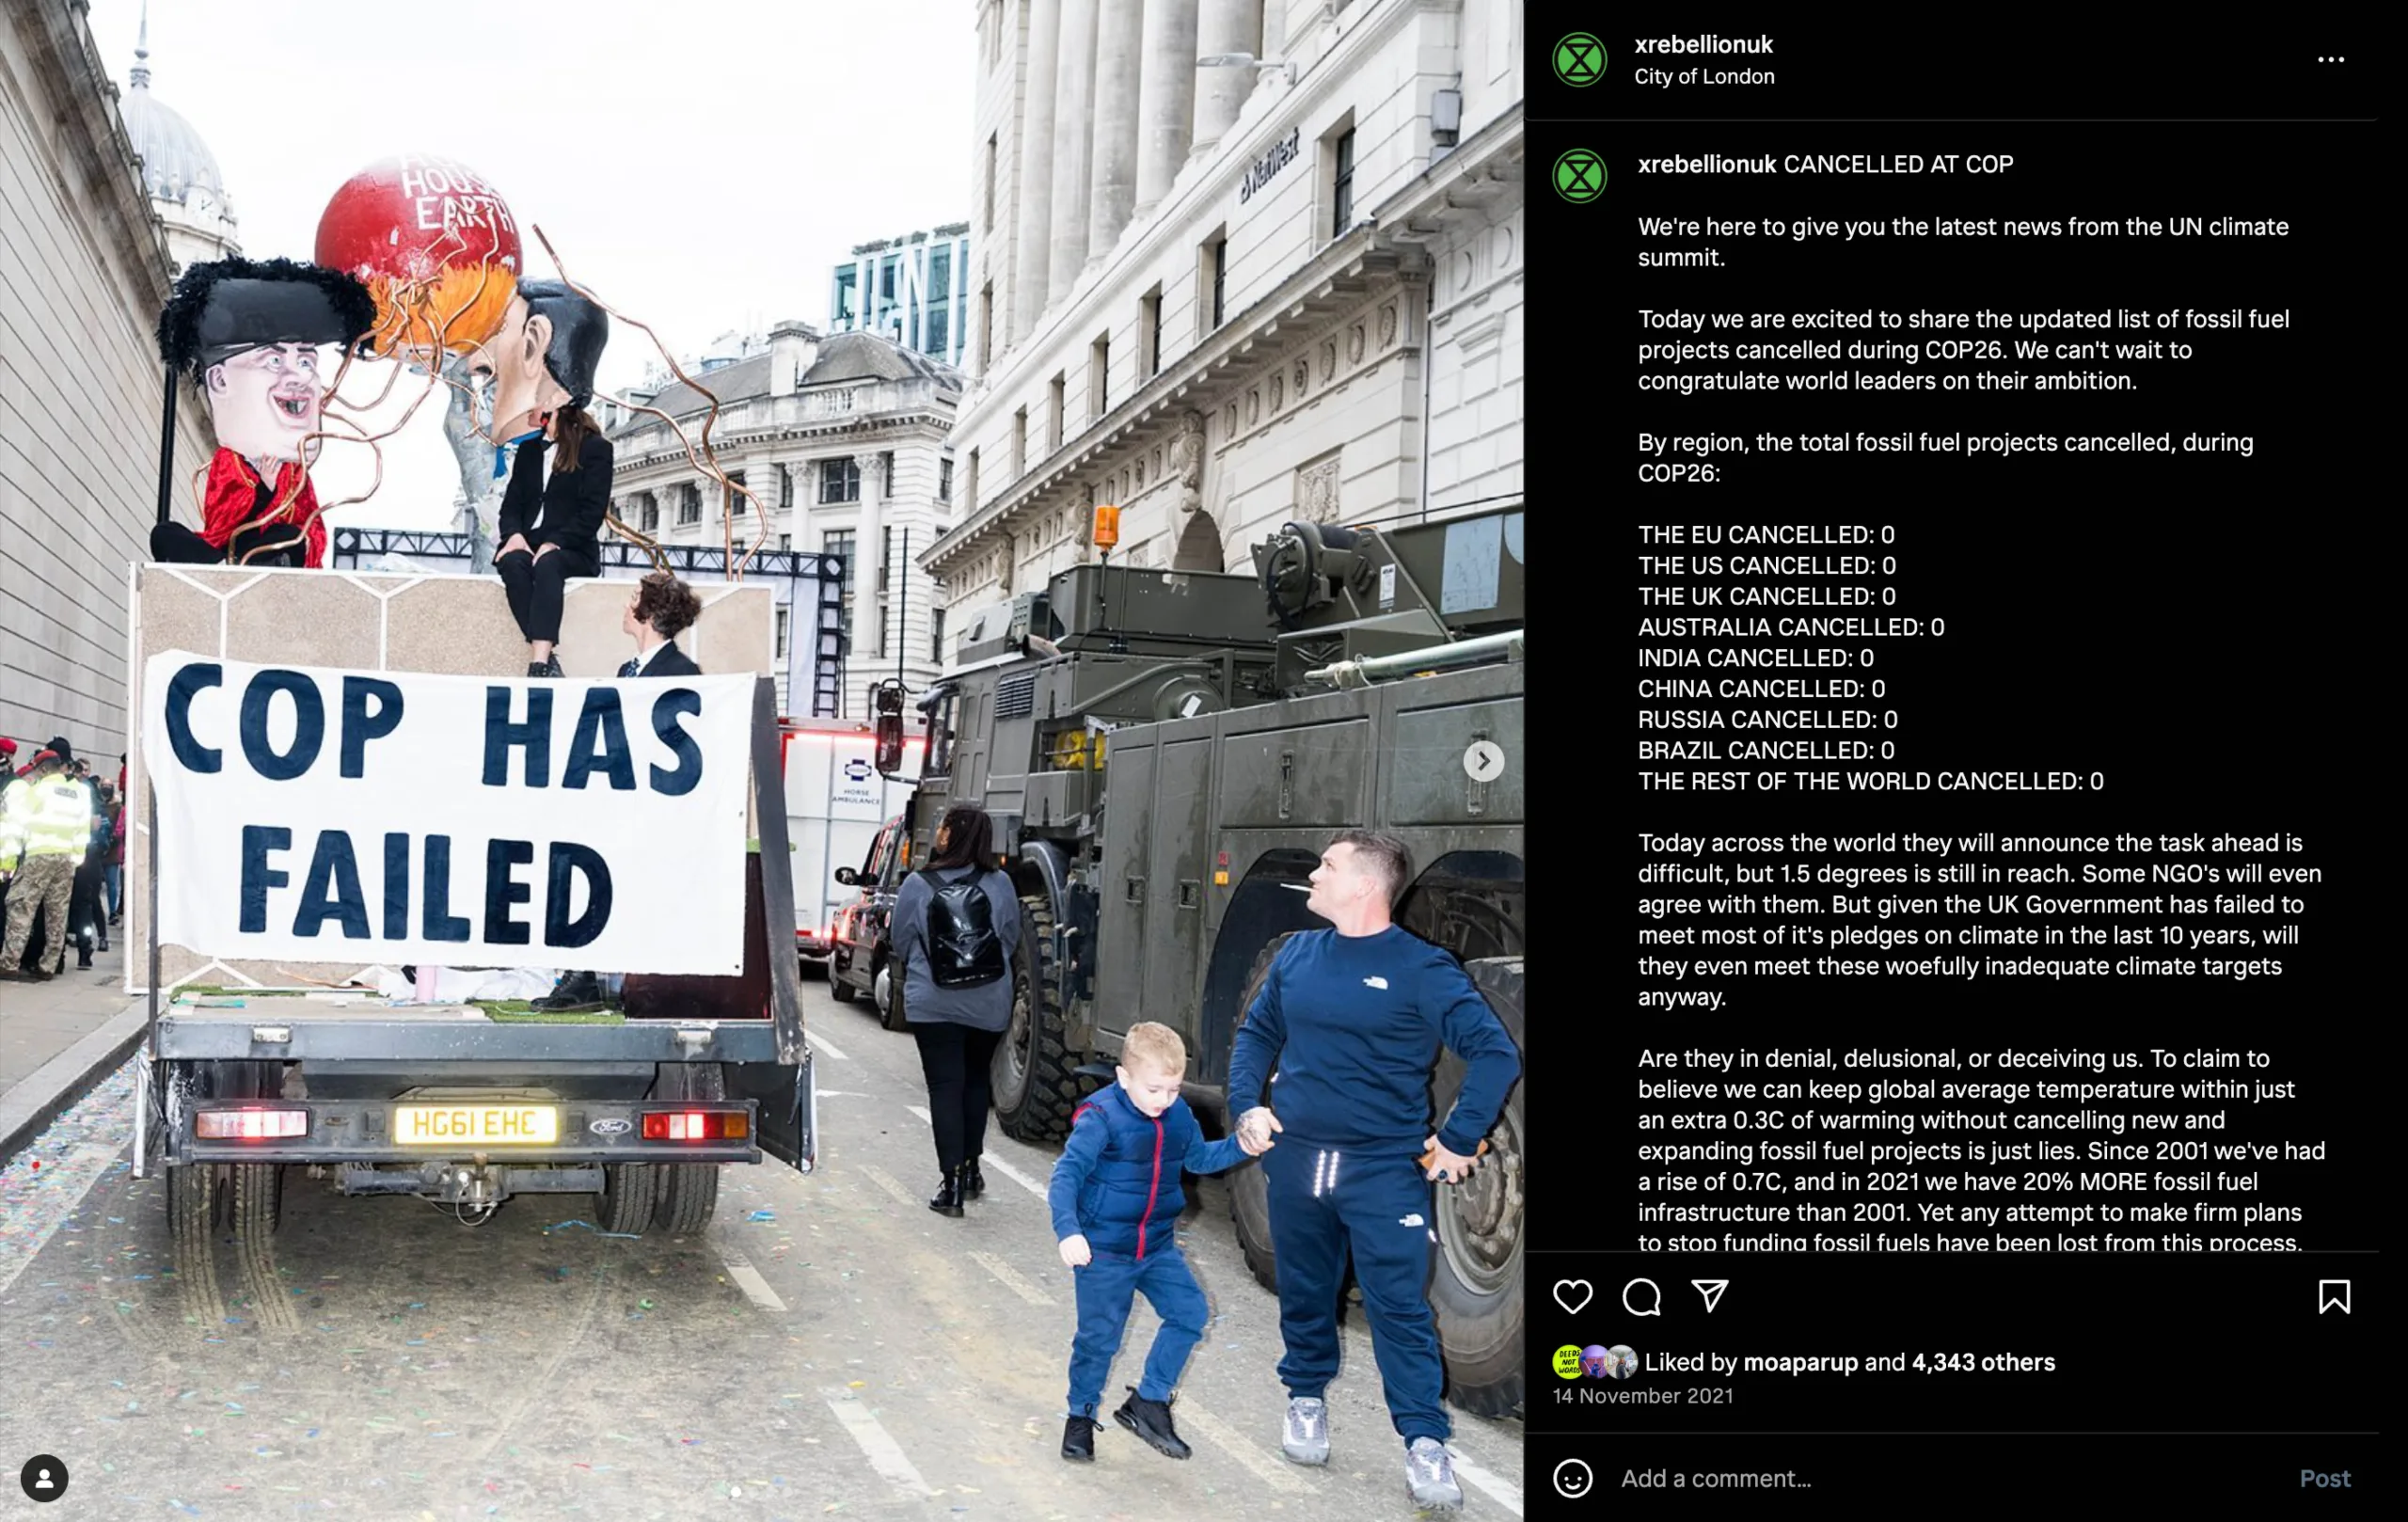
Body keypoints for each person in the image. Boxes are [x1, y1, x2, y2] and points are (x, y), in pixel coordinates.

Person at [1226, 829, 1522, 1512]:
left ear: (1365, 885)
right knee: (1304, 1294)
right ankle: (1304, 1400)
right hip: (1298, 1162)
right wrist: (1247, 1105)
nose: (1315, 876)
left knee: (1398, 1309)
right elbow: (1257, 1035)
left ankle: (1423, 1442)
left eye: (1327, 866)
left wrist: (1458, 1138)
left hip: (1383, 1172)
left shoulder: (1424, 969)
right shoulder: (1298, 956)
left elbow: (1495, 1054)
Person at [1049, 1022, 1266, 1463]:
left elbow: (1201, 1158)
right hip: (1103, 1250)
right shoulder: (1101, 1117)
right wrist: (1068, 1230)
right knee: (1099, 1340)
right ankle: (1080, 1415)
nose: (1165, 1099)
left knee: (1190, 1313)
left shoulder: (1177, 1114)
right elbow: (1066, 1176)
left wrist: (1243, 1145)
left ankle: (1148, 1402)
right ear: (1124, 1078)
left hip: (1156, 1247)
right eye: (1154, 1090)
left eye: (1174, 1089)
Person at [531, 572, 702, 1013]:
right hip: (617, 805)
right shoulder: (629, 670)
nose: (626, 607)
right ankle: (582, 977)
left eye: (633, 600)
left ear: (649, 612)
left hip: (650, 811)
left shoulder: (683, 674)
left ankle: (601, 981)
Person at [149, 255, 375, 568]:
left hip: (272, 553)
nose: (300, 377)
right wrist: (265, 489)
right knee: (165, 534)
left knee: (286, 537)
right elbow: (225, 525)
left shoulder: (296, 473)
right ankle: (225, 566)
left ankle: (247, 566)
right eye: (274, 361)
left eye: (307, 362)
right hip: (231, 549)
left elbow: (311, 535)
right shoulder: (228, 464)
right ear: (220, 379)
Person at [887, 804, 1021, 1215]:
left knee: (945, 1088)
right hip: (988, 1001)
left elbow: (900, 941)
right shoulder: (1000, 884)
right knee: (976, 1084)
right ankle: (972, 1170)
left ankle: (951, 1188)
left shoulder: (917, 883)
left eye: (943, 826)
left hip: (933, 1002)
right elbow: (1010, 939)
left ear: (948, 835)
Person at [479, 280, 611, 677]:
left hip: (572, 550)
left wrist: (554, 542)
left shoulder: (595, 449)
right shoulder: (533, 451)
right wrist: (514, 535)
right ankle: (548, 656)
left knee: (548, 566)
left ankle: (538, 664)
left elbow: (591, 515)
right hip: (531, 543)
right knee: (513, 564)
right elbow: (513, 505)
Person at [1, 750, 94, 981]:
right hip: (65, 859)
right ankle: (48, 966)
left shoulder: (38, 791)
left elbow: (16, 827)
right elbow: (83, 830)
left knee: (21, 906)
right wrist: (76, 857)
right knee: (57, 913)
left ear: (43, 769)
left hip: (38, 855)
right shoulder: (79, 793)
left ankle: (9, 963)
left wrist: (8, 861)